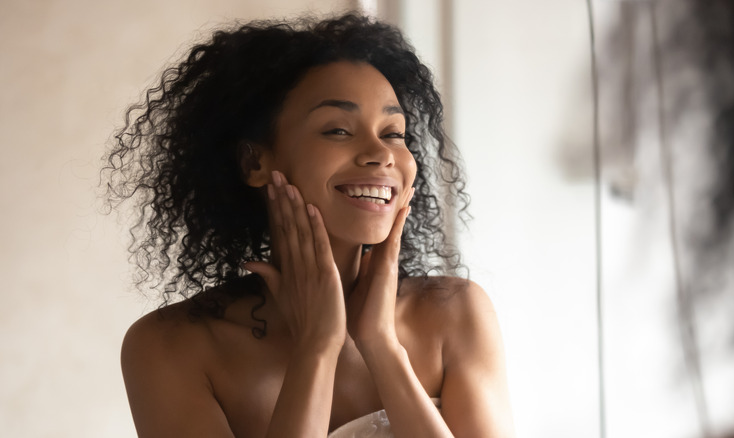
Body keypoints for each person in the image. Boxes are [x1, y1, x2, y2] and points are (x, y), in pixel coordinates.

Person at [104, 13, 515, 437]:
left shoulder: (456, 312)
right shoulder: (170, 346)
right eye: (338, 130)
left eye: (394, 133)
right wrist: (316, 348)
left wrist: (381, 345)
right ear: (255, 162)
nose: (381, 154)